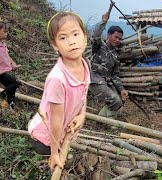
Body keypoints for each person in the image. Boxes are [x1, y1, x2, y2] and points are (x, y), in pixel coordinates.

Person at [28, 12, 90, 170]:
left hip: (62, 133)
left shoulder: (85, 64)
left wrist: (81, 114)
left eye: (75, 34)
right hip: (46, 139)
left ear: (85, 36)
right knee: (51, 168)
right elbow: (56, 120)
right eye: (63, 38)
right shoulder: (58, 79)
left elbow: (83, 93)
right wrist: (54, 154)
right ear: (55, 45)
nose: (71, 42)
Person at [89, 12, 128, 119]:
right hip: (95, 80)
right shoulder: (99, 46)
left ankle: (100, 121)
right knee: (114, 100)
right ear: (109, 35)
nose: (117, 40)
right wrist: (103, 22)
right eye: (115, 37)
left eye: (120, 38)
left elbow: (115, 75)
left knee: (119, 101)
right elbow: (94, 36)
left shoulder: (115, 55)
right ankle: (111, 127)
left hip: (106, 82)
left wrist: (121, 90)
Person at [0, 20, 21, 109]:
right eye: (4, 31)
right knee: (13, 83)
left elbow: (7, 56)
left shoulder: (3, 44)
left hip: (3, 72)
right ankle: (5, 97)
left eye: (7, 32)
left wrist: (13, 64)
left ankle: (10, 102)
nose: (6, 34)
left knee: (15, 83)